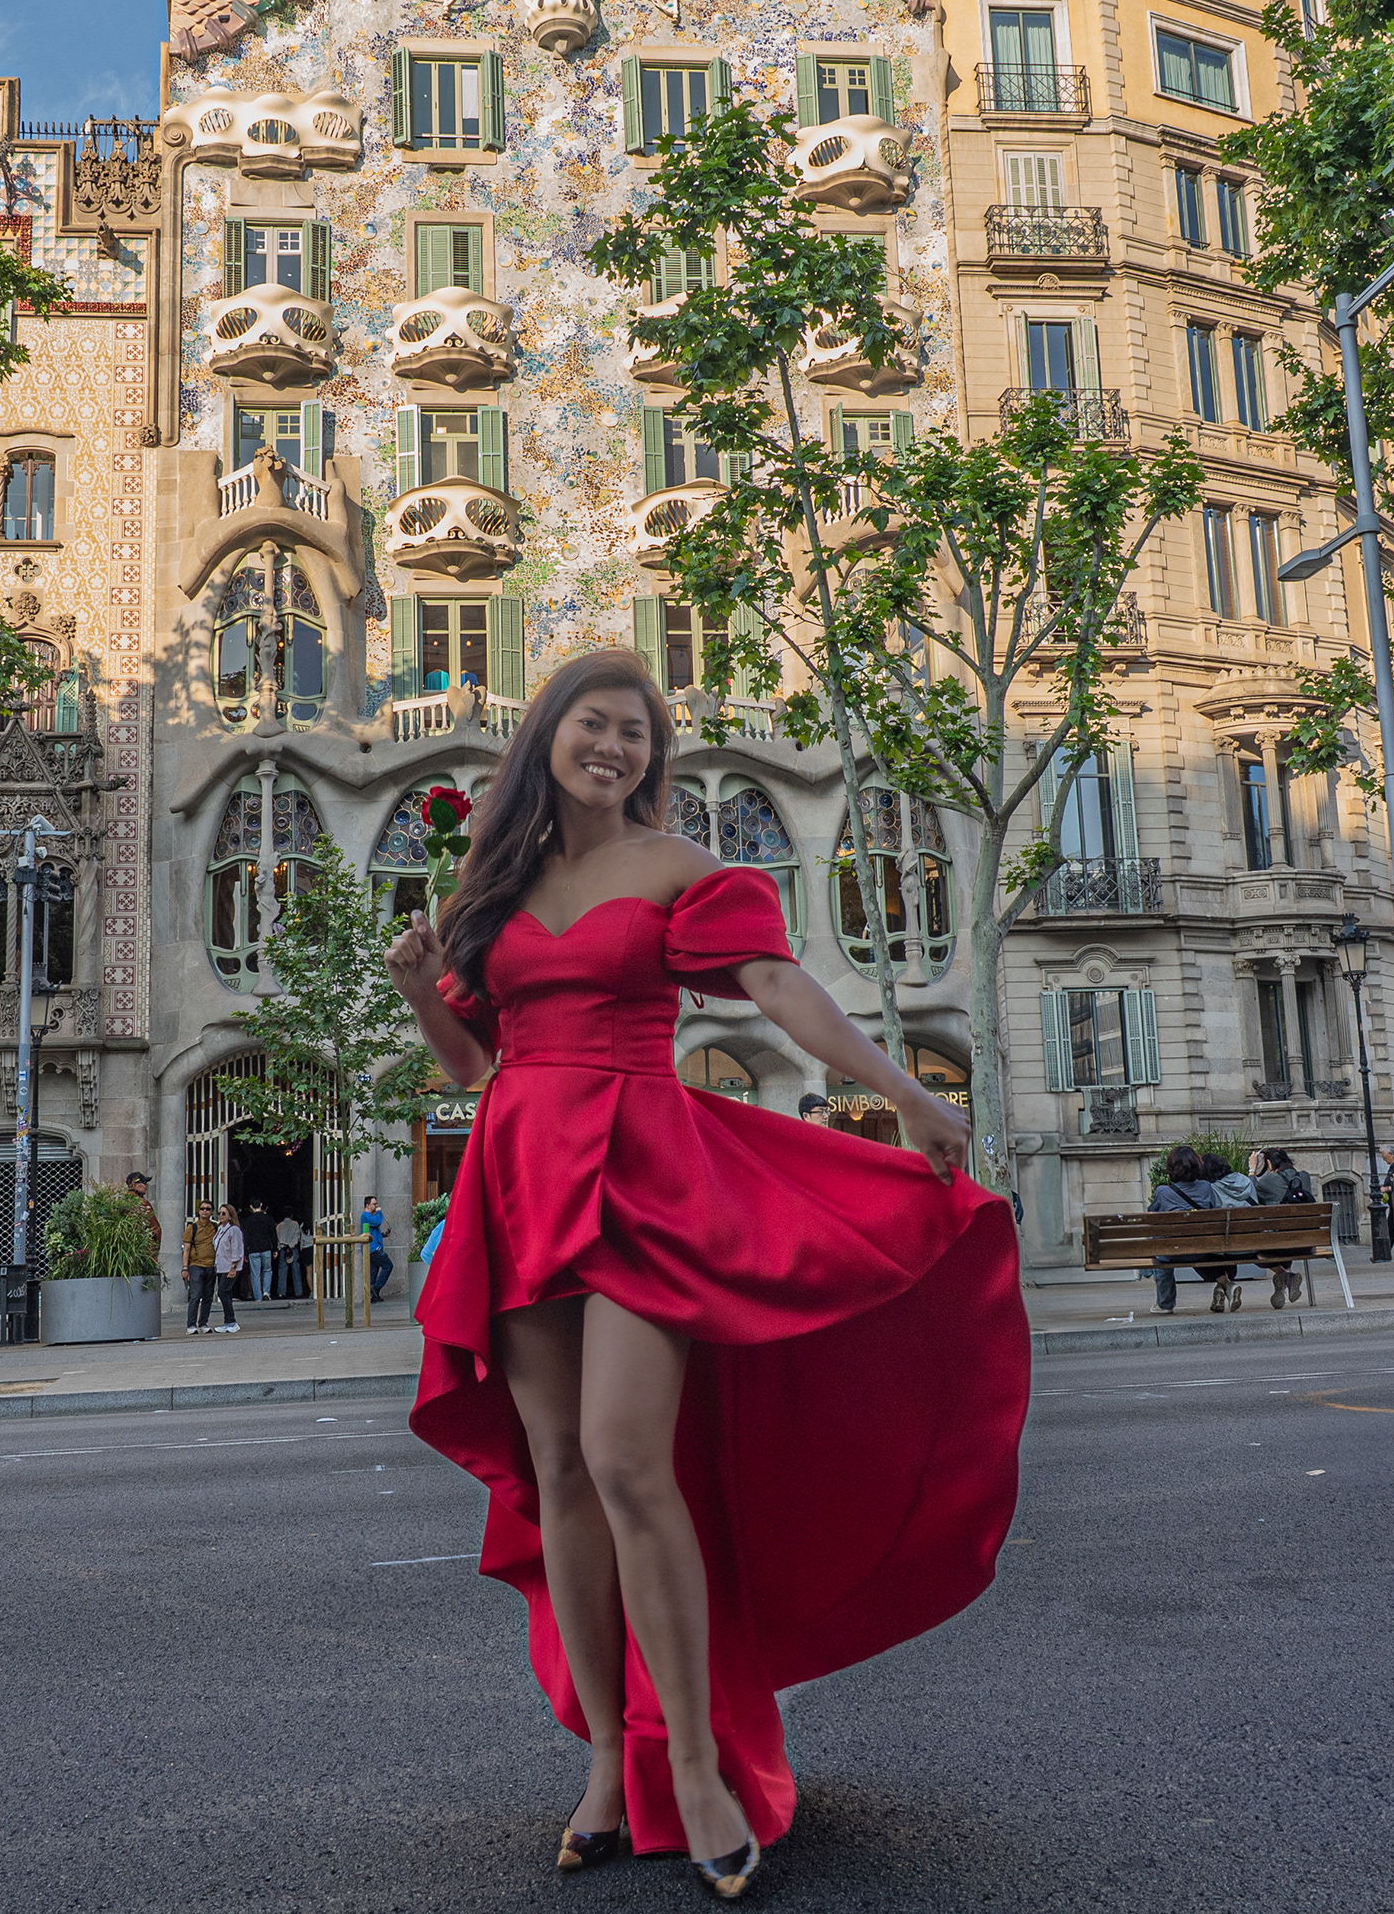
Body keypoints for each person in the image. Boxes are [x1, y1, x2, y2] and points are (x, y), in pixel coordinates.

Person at [389, 649, 1027, 1892]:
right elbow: (476, 1072)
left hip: (639, 1170)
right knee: (563, 1473)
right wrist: (424, 993)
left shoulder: (683, 871)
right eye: (594, 724)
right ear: (549, 735)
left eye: (636, 733)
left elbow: (780, 987)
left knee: (630, 1462)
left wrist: (899, 1091)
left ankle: (690, 1765)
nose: (614, 748)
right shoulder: (496, 882)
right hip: (520, 1173)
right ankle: (600, 1769)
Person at [1147, 1143, 1231, 1313]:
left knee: (1160, 1248)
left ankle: (1165, 1303)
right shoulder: (1206, 1187)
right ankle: (1226, 1283)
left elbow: (1151, 1216)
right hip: (1201, 1248)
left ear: (1171, 1167)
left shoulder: (1162, 1192)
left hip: (1173, 1251)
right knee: (1186, 1245)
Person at [1252, 1148, 1313, 1305]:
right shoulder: (1304, 1176)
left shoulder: (1269, 1180)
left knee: (1253, 1252)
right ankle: (1281, 1287)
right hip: (1306, 1243)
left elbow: (1250, 1194)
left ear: (1269, 1163)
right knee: (1288, 1234)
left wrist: (1252, 1170)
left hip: (1280, 1243)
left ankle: (1287, 1277)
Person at [181, 1199, 219, 1334]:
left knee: (208, 1296)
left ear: (212, 1212)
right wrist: (185, 1268)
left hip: (211, 1265)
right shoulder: (192, 1228)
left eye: (208, 1209)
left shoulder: (215, 1227)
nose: (205, 1211)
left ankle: (203, 1323)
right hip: (196, 1265)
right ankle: (191, 1325)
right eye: (202, 1209)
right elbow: (186, 1249)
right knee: (195, 1295)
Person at [212, 1204, 245, 1333]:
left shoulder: (234, 1230)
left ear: (230, 1216)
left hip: (230, 1266)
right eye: (219, 1213)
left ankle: (231, 1321)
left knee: (222, 1292)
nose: (220, 1216)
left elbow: (237, 1249)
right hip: (221, 1266)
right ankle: (227, 1321)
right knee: (226, 1293)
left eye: (224, 1213)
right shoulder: (220, 1229)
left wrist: (234, 1267)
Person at [361, 1195, 394, 1303]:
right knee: (388, 1266)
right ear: (367, 1205)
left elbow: (373, 1232)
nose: (376, 1206)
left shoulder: (369, 1216)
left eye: (376, 1204)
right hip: (373, 1249)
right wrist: (379, 1212)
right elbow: (377, 1222)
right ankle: (376, 1288)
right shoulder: (366, 1216)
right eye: (374, 1204)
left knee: (373, 1273)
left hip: (372, 1248)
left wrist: (383, 1234)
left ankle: (373, 1296)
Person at [243, 1200, 276, 1304]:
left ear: (251, 1206)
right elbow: (273, 1235)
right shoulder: (268, 1219)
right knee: (267, 1270)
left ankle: (258, 1297)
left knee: (255, 1274)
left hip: (253, 1250)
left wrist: (245, 1252)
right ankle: (266, 1292)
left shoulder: (248, 1220)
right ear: (261, 1205)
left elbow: (246, 1238)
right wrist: (275, 1249)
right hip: (266, 1249)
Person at [126, 1171, 162, 1250]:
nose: (146, 1186)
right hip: (142, 1249)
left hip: (125, 1248)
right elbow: (156, 1229)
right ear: (134, 1185)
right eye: (144, 1183)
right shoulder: (143, 1203)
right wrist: (155, 1248)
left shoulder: (121, 1202)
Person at [275, 1208, 305, 1298]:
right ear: (291, 1215)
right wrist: (290, 1245)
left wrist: (283, 1246)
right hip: (293, 1249)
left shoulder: (279, 1226)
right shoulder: (295, 1224)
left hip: (282, 1248)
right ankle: (298, 1292)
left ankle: (281, 1292)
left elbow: (277, 1238)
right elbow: (297, 1236)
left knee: (282, 1271)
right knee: (296, 1271)